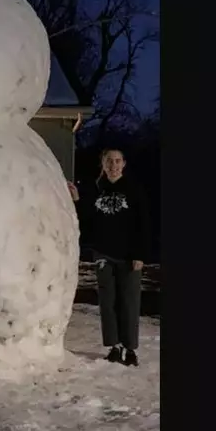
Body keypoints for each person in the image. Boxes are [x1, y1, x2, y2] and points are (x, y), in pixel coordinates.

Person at [79, 148, 151, 367]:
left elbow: (144, 224)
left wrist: (140, 254)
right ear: (103, 163)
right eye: (109, 161)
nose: (113, 165)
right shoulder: (95, 188)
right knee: (107, 302)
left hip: (129, 255)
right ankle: (114, 346)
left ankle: (130, 349)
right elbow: (86, 218)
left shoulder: (134, 189)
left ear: (124, 164)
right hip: (103, 253)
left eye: (117, 161)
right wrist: (76, 200)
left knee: (129, 301)